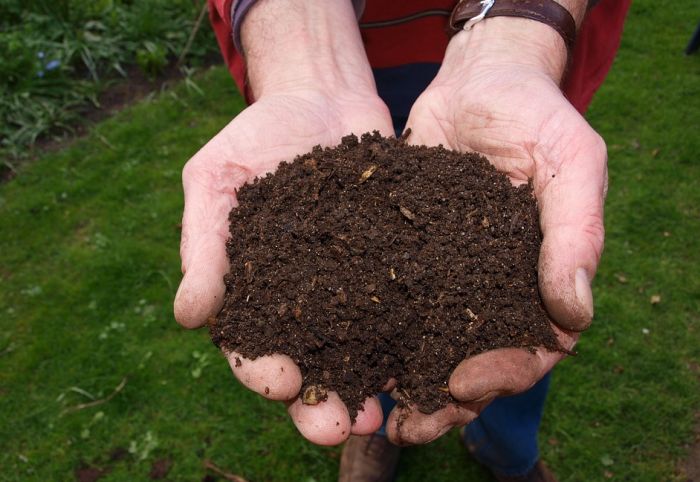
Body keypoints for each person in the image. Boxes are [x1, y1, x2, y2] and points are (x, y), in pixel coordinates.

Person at [174, 0, 630, 480]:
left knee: (524, 316)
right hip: (353, 40)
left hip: (521, 47)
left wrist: (519, 36)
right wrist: (304, 47)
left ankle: (509, 450)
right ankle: (369, 429)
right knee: (370, 343)